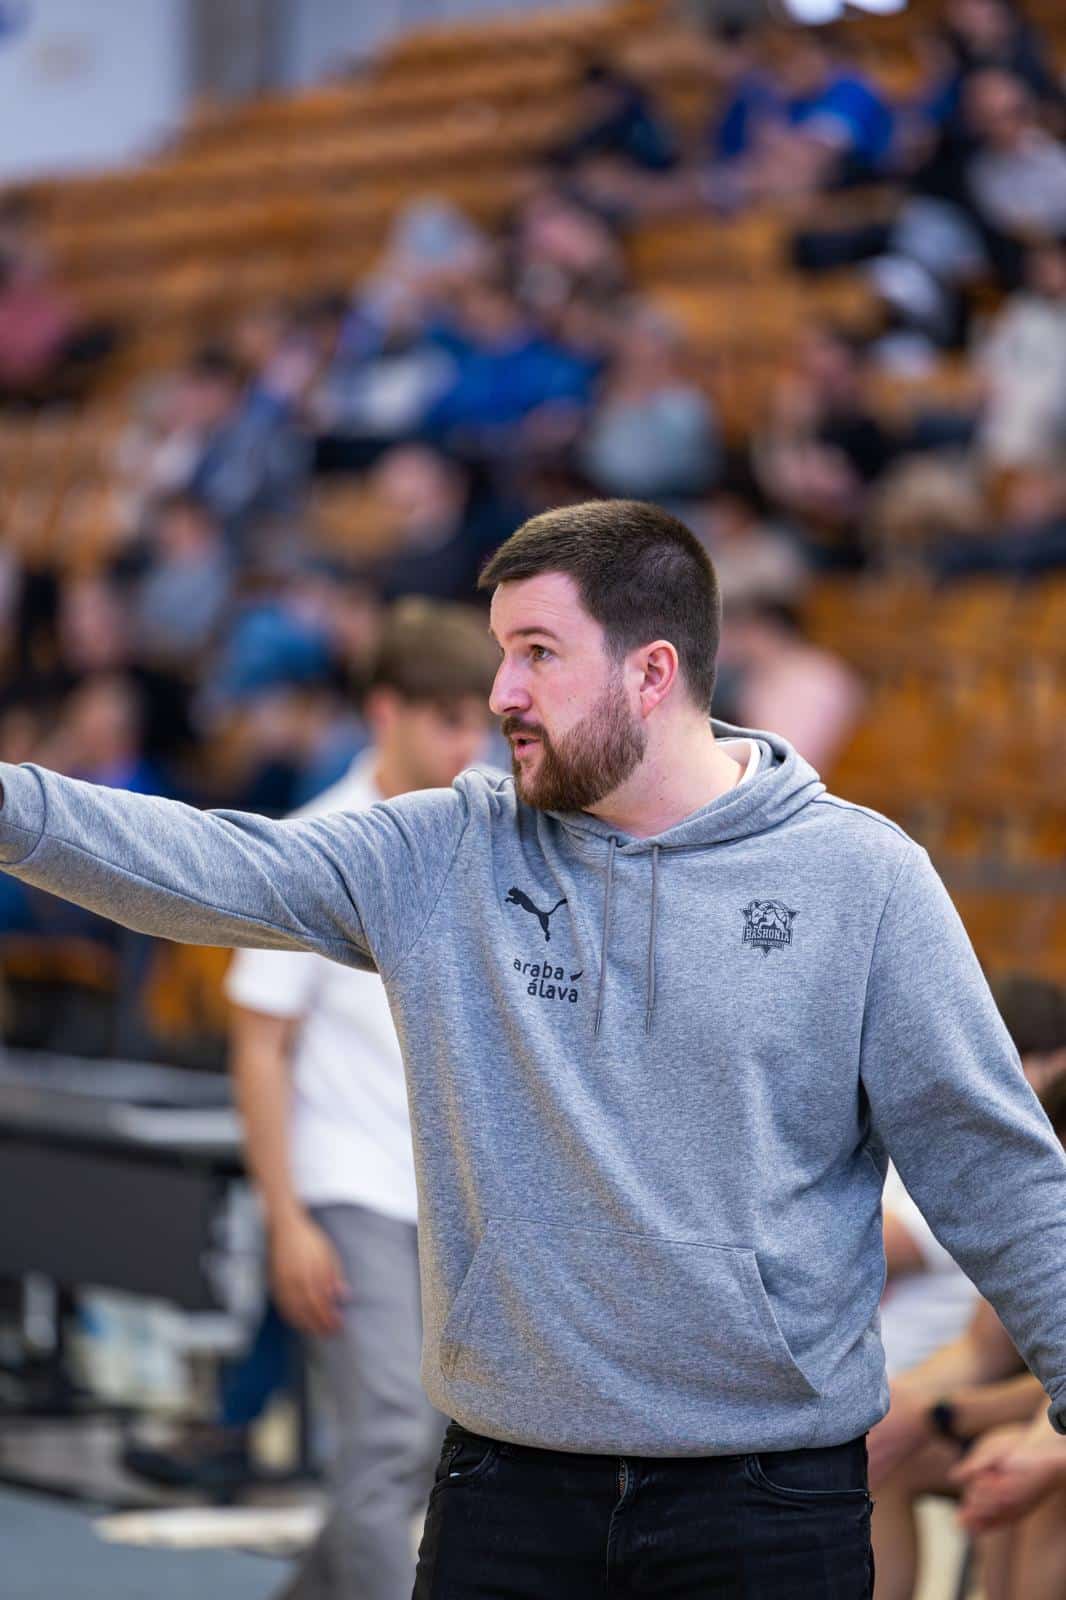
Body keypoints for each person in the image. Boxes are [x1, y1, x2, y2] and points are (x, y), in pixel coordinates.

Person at [0, 501, 1064, 1599]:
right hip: (505, 1492)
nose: (501, 691)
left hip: (770, 1500)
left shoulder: (862, 880)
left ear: (651, 672)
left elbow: (993, 1170)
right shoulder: (446, 848)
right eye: (503, 651)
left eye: (538, 654)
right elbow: (212, 863)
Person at [226, 600, 498, 1600]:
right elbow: (259, 1040)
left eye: (481, 723)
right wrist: (286, 1216)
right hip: (350, 1185)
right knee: (390, 1433)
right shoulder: (318, 843)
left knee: (433, 1449)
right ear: (386, 711)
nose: (470, 746)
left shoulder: (486, 840)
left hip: (458, 1197)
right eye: (448, 720)